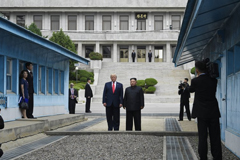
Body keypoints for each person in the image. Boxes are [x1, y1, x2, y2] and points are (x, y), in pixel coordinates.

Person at [189, 61, 222, 160]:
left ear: (197, 70)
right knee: (215, 137)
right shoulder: (213, 80)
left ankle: (203, 157)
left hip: (201, 112)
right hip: (213, 111)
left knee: (202, 137)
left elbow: (191, 90)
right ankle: (217, 157)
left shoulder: (195, 81)